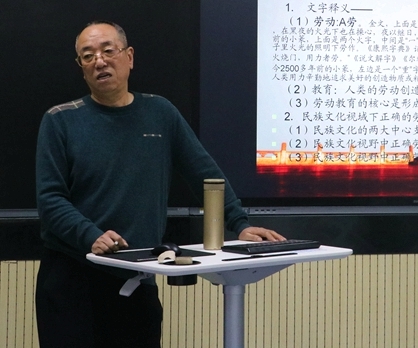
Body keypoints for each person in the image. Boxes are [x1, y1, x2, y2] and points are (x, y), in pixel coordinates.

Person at [35, 20, 285, 348]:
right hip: (72, 278)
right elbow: (50, 199)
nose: (99, 61)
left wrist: (240, 224)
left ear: (129, 57)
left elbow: (204, 174)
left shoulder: (159, 113)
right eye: (88, 56)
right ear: (80, 66)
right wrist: (90, 235)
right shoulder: (60, 120)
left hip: (137, 275)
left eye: (108, 51)